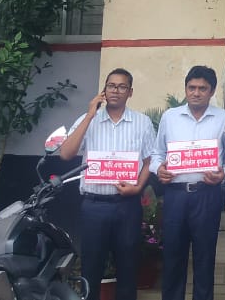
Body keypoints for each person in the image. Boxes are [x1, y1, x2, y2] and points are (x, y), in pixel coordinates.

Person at [59, 69, 156, 300]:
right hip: (94, 206)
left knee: (128, 269)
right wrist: (89, 116)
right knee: (91, 268)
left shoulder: (142, 123)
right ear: (104, 90)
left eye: (122, 87)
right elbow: (65, 154)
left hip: (127, 206)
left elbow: (149, 161)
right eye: (111, 85)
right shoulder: (87, 120)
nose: (115, 91)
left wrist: (138, 187)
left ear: (130, 92)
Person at [152, 67, 225, 300]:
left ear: (212, 91)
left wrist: (223, 174)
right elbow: (157, 154)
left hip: (207, 194)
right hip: (175, 194)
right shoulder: (170, 117)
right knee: (173, 257)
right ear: (185, 89)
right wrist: (159, 169)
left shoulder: (224, 118)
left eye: (202, 89)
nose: (196, 93)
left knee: (205, 258)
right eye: (191, 88)